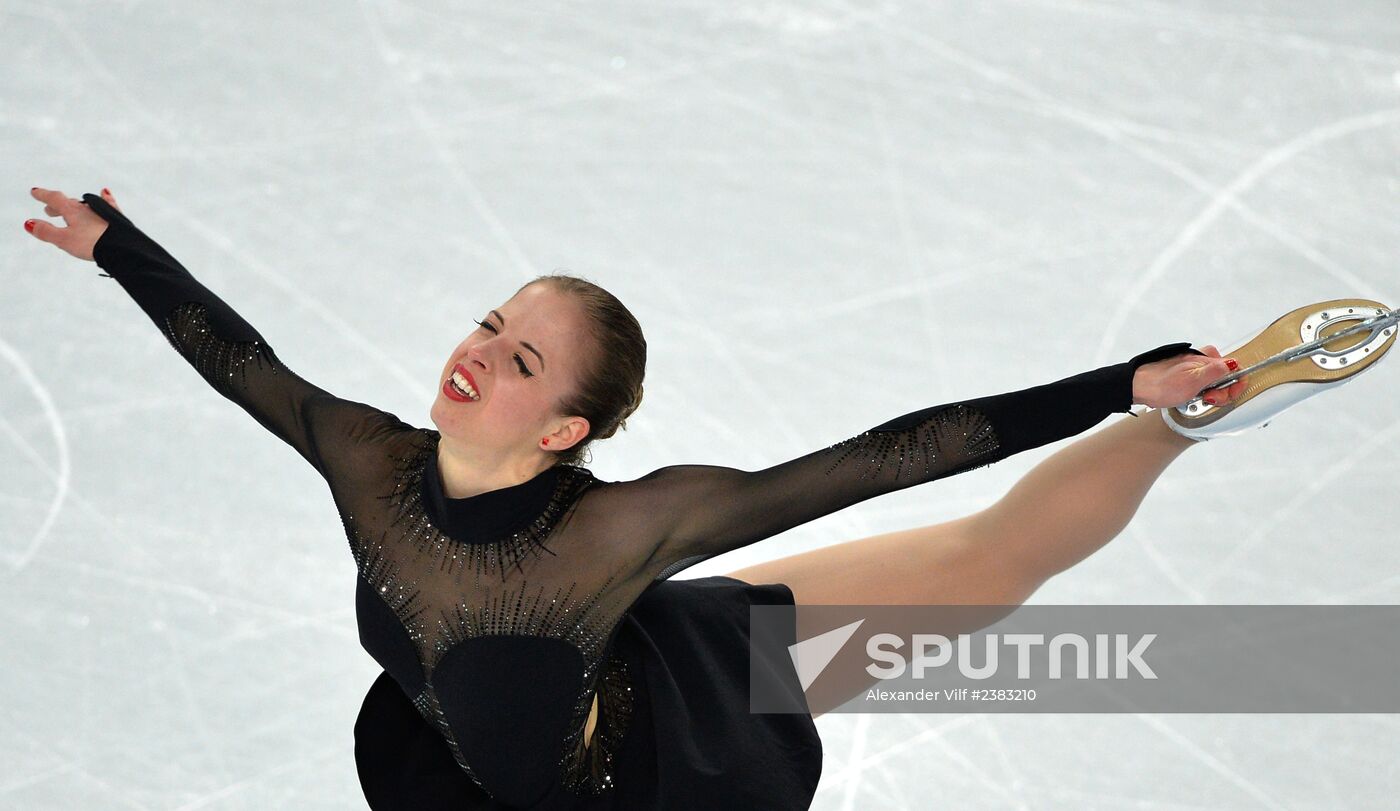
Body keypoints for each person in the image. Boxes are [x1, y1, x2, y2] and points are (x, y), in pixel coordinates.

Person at [30, 186, 1381, 810]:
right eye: (490, 322)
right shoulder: (366, 456)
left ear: (565, 427)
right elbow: (235, 362)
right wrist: (115, 245)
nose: (476, 352)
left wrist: (1119, 383)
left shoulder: (624, 524)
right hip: (472, 762)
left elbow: (894, 452)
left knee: (988, 553)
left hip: (666, 748)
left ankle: (1192, 420)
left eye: (518, 358)